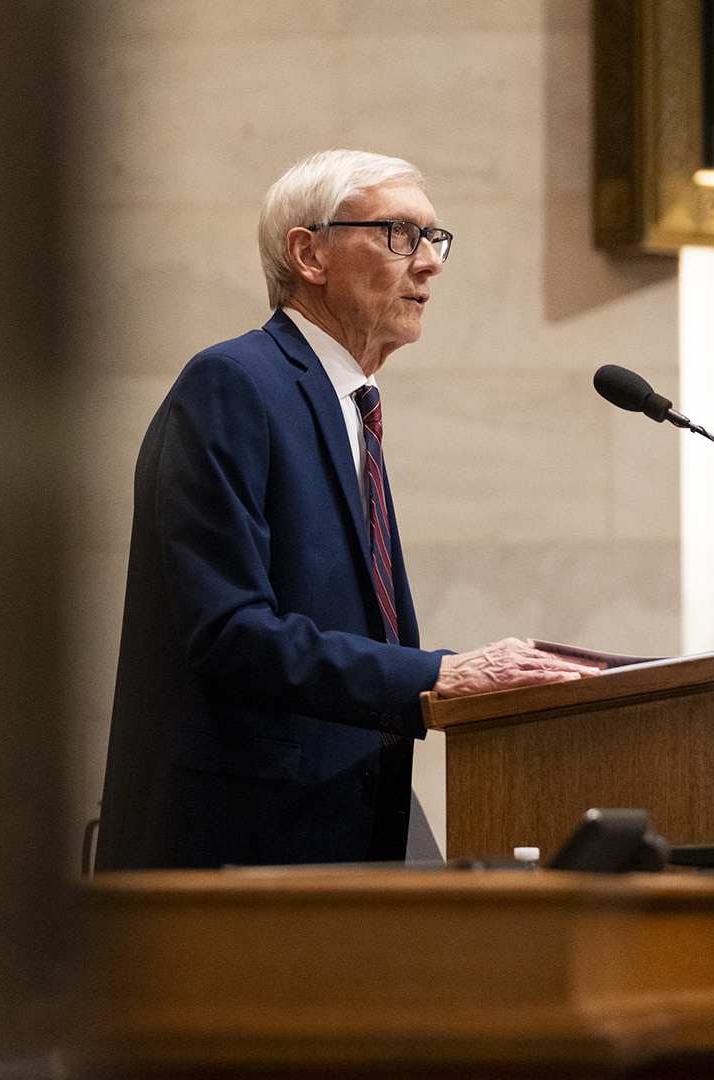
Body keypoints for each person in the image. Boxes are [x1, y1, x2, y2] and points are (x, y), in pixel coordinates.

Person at [94, 149, 599, 871]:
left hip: (345, 832)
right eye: (399, 233)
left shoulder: (351, 407)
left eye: (434, 238)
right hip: (241, 850)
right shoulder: (234, 385)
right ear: (310, 254)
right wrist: (435, 675)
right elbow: (229, 632)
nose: (429, 263)